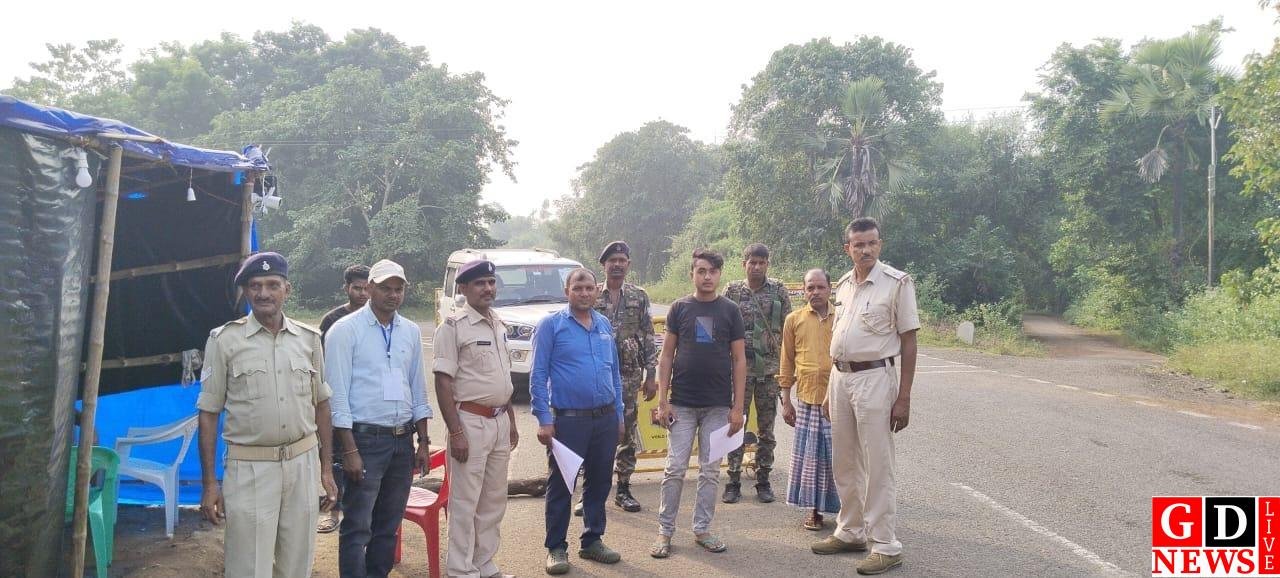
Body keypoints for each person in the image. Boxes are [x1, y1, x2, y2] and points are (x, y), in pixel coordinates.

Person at [196, 252, 338, 578]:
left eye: (273, 285)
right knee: (249, 567)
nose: (264, 293)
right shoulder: (224, 341)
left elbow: (322, 405)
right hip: (250, 467)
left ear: (287, 289)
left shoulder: (309, 339)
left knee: (297, 564)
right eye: (255, 285)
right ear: (245, 291)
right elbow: (208, 413)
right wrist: (209, 483)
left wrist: (326, 469)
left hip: (302, 464)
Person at [811, 218, 919, 576]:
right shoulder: (843, 285)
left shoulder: (897, 283)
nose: (865, 250)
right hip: (841, 378)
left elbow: (909, 341)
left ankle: (885, 545)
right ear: (848, 248)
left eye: (871, 243)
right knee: (844, 459)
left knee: (878, 463)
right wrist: (830, 392)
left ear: (880, 244)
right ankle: (851, 531)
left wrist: (903, 397)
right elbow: (840, 340)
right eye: (858, 244)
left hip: (876, 378)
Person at [326, 259, 434, 578]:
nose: (393, 295)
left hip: (402, 441)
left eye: (399, 289)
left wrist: (423, 441)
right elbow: (336, 396)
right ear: (370, 288)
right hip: (364, 441)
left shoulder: (410, 331)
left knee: (388, 526)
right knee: (358, 527)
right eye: (386, 288)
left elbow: (417, 388)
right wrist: (349, 450)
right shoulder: (344, 331)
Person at [650, 249, 747, 559]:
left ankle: (702, 529)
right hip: (682, 404)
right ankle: (665, 531)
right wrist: (663, 401)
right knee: (675, 468)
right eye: (701, 271)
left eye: (713, 271)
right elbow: (666, 356)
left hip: (718, 406)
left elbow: (739, 360)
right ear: (692, 273)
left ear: (720, 274)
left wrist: (737, 407)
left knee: (710, 471)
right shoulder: (679, 308)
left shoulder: (730, 310)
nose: (707, 276)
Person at [531, 268, 626, 575]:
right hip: (568, 421)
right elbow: (538, 375)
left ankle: (592, 540)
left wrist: (619, 415)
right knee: (562, 484)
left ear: (596, 290)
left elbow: (614, 373)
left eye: (589, 288)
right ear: (567, 291)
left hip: (605, 419)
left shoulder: (603, 324)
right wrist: (544, 419)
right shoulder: (551, 325)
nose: (584, 293)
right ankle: (556, 547)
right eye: (578, 288)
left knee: (599, 482)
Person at [433, 259, 520, 578]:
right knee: (464, 502)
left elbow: (502, 379)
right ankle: (461, 570)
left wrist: (511, 422)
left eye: (491, 282)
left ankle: (484, 565)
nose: (488, 288)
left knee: (493, 501)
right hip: (469, 422)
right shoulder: (453, 326)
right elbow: (443, 381)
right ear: (464, 288)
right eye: (480, 283)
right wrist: (455, 432)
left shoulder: (498, 323)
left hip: (498, 421)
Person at [722, 243, 791, 503]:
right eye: (752, 262)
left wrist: (787, 369)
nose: (757, 267)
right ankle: (733, 480)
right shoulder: (732, 291)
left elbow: (788, 328)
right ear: (744, 264)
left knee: (766, 429)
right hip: (739, 372)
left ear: (767, 264)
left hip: (769, 372)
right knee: (735, 425)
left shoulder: (778, 290)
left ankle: (763, 480)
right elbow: (722, 327)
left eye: (762, 262)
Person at [593, 241, 657, 513]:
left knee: (627, 431)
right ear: (604, 265)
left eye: (622, 260)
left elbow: (648, 334)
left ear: (628, 264)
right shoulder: (591, 295)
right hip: (598, 375)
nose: (617, 265)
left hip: (629, 374)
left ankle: (623, 488)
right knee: (596, 432)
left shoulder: (638, 296)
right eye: (612, 261)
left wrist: (651, 374)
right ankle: (592, 491)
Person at [779, 269, 840, 531]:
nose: (815, 292)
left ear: (830, 289)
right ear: (803, 291)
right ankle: (814, 511)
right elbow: (787, 361)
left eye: (820, 287)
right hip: (807, 398)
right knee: (811, 459)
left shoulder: (842, 317)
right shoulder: (794, 320)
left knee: (840, 458)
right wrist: (786, 400)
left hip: (839, 398)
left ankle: (849, 514)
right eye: (810, 288)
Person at [317, 264, 370, 534]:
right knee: (336, 454)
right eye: (356, 288)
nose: (362, 293)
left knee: (364, 454)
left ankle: (360, 512)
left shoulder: (377, 318)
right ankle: (333, 510)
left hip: (365, 400)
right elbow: (321, 361)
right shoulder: (332, 321)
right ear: (346, 288)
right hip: (337, 397)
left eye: (366, 288)